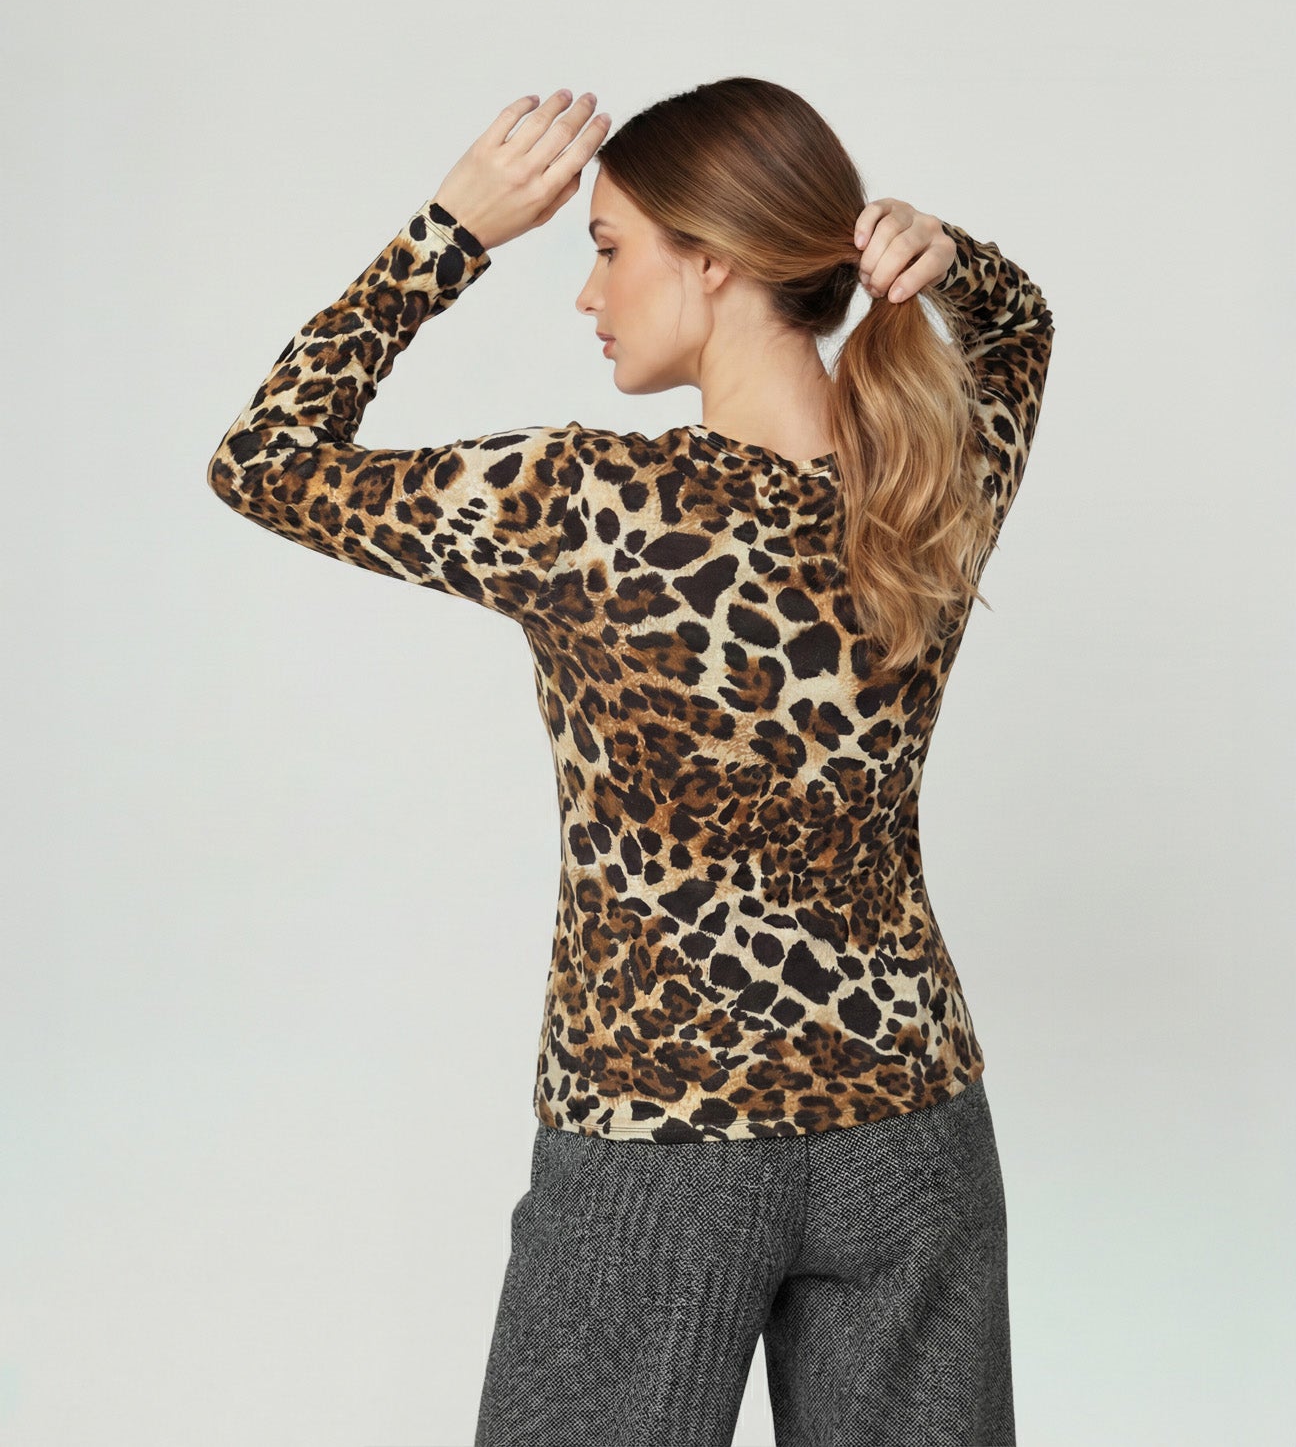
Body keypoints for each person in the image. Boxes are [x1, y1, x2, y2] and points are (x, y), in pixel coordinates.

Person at [207, 79, 1054, 1447]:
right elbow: (1019, 332)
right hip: (912, 1120)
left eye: (607, 248)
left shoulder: (585, 504)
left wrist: (451, 233)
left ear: (712, 261)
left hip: (656, 1136)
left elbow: (264, 461)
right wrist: (941, 254)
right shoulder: (930, 479)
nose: (589, 295)